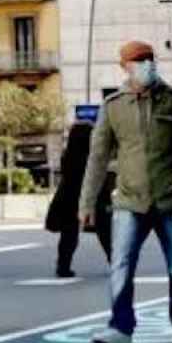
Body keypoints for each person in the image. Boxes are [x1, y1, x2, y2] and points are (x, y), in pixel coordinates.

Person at [80, 40, 172, 343]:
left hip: (170, 198)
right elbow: (97, 158)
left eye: (150, 59)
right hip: (129, 201)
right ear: (124, 66)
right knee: (121, 264)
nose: (147, 64)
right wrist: (86, 203)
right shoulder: (113, 106)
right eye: (139, 60)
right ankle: (120, 329)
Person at [48, 114, 113, 276]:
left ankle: (63, 266)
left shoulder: (68, 156)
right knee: (105, 233)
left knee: (69, 234)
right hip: (93, 195)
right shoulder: (93, 155)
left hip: (70, 196)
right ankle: (118, 264)